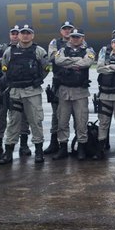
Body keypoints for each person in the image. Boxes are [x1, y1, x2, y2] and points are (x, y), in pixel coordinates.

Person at [0, 24, 49, 164]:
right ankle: (8, 152)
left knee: (36, 121)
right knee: (13, 122)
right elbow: (4, 69)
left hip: (32, 91)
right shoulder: (10, 51)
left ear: (32, 35)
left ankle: (39, 152)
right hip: (15, 92)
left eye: (28, 33)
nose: (25, 35)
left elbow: (45, 68)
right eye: (23, 33)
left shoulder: (39, 51)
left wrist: (37, 80)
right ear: (18, 35)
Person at [51, 28, 96, 160]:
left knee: (81, 122)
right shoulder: (62, 50)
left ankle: (81, 148)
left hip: (80, 92)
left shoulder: (89, 50)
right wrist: (77, 63)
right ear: (69, 38)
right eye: (73, 36)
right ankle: (63, 148)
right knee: (62, 122)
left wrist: (69, 63)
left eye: (78, 37)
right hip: (64, 91)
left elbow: (88, 62)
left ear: (82, 38)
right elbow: (58, 61)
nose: (75, 39)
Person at [0, 26, 31, 160]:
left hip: (19, 87)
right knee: (0, 115)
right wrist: (7, 59)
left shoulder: (27, 49)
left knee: (23, 116)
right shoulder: (2, 48)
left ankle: (24, 145)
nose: (15, 36)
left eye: (17, 34)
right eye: (13, 33)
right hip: (3, 86)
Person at [44, 21, 74, 155]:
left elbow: (84, 58)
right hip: (59, 83)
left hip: (75, 83)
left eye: (69, 29)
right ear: (61, 31)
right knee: (56, 115)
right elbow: (52, 57)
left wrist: (62, 58)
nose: (67, 31)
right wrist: (72, 59)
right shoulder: (54, 42)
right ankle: (54, 143)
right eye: (65, 29)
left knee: (78, 116)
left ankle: (81, 144)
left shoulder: (79, 41)